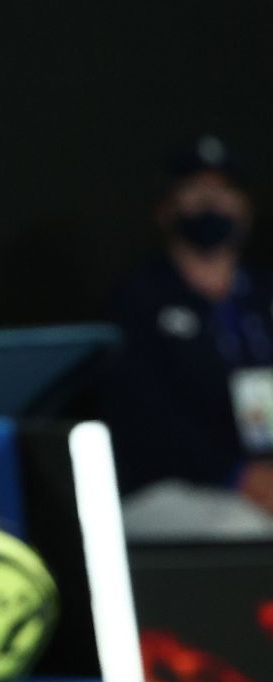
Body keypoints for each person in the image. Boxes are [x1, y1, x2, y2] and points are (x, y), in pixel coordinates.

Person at [106, 134, 273, 540]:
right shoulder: (136, 302)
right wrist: (236, 475)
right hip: (168, 489)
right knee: (245, 530)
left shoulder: (261, 298)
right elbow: (146, 422)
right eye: (196, 190)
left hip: (262, 478)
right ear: (166, 207)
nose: (211, 202)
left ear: (246, 207)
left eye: (223, 190)